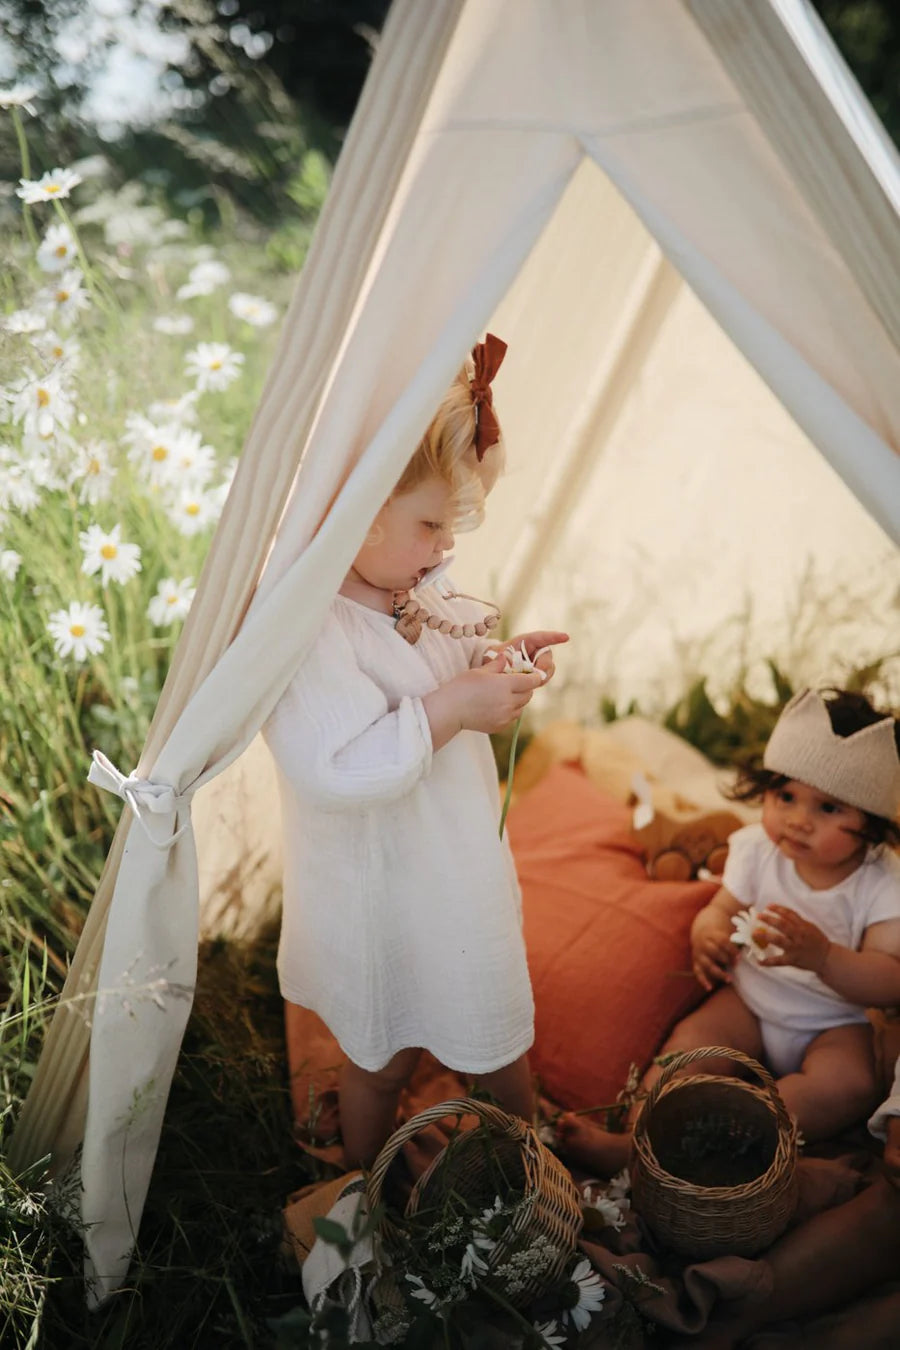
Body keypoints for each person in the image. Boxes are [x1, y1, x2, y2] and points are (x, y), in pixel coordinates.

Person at [264, 334, 568, 1167]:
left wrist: (494, 670)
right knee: (380, 1056)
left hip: (452, 867)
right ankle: (366, 1197)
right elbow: (335, 768)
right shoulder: (311, 629)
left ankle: (533, 1158)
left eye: (453, 528)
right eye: (431, 524)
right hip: (378, 890)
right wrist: (449, 708)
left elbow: (447, 674)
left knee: (494, 1022)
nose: (443, 549)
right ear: (357, 508)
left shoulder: (420, 591)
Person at [558, 687, 900, 1174]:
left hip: (831, 1021)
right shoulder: (757, 848)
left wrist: (824, 958)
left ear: (871, 822)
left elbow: (890, 978)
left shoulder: (881, 880)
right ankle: (635, 1138)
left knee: (849, 1084)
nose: (798, 821)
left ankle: (732, 1131)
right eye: (786, 796)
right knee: (691, 1042)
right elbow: (720, 908)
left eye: (828, 809)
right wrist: (708, 933)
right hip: (751, 1001)